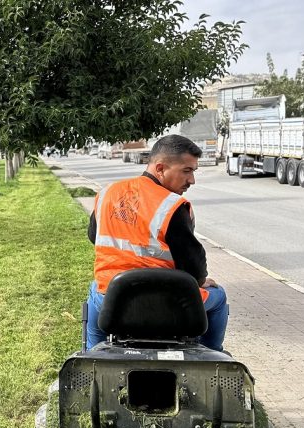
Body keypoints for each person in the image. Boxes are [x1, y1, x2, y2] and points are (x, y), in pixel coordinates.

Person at [86, 134, 228, 351]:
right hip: (168, 302)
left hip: (113, 296)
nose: (192, 180)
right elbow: (193, 262)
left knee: (95, 289)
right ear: (160, 168)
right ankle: (213, 358)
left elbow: (93, 236)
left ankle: (91, 357)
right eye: (187, 171)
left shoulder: (107, 193)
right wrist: (200, 280)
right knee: (219, 296)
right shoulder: (173, 206)